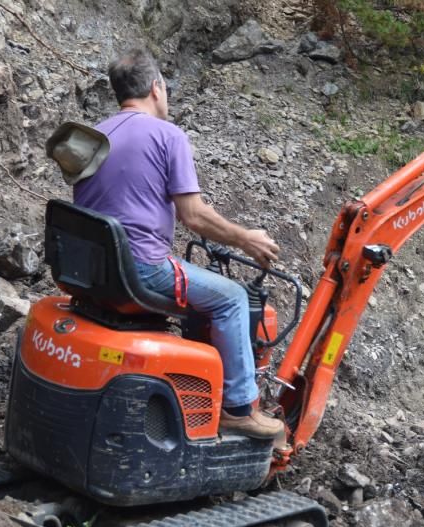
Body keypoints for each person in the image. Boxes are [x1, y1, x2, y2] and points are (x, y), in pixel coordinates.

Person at [72, 49, 285, 443]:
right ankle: (239, 409)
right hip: (141, 269)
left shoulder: (95, 136)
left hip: (94, 270)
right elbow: (194, 216)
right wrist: (246, 238)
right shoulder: (168, 136)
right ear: (156, 88)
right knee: (232, 298)